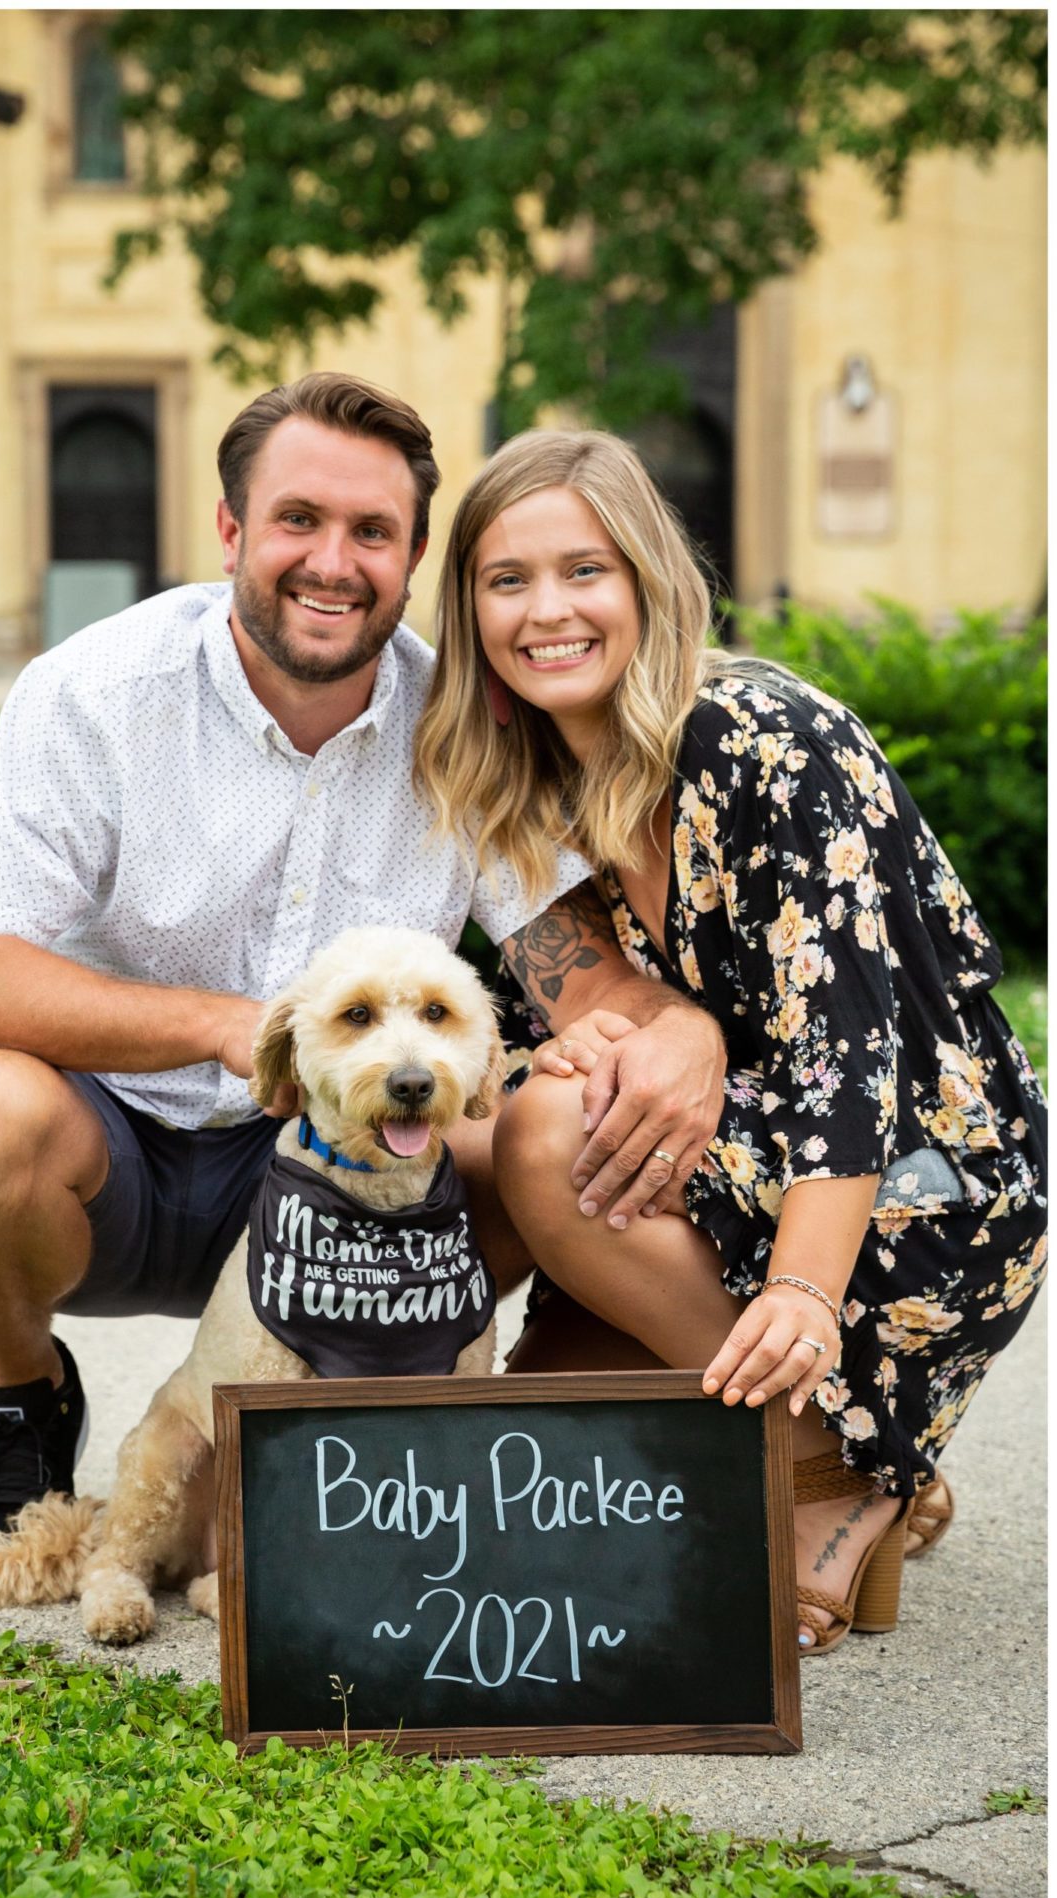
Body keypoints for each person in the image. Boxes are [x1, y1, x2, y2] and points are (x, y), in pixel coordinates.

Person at [0, 374, 728, 1564]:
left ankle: (406, 1432)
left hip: (364, 1179)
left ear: (413, 555)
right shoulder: (95, 695)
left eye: (371, 533)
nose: (331, 561)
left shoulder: (458, 727)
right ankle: (26, 1393)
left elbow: (580, 979)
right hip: (111, 1157)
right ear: (231, 529)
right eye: (297, 520)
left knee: (556, 1122)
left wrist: (674, 1027)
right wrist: (224, 1025)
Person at [413, 428, 1047, 1653]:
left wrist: (805, 1295)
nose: (547, 610)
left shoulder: (763, 741)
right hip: (738, 1166)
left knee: (548, 1130)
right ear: (470, 606)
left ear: (651, 582)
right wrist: (576, 1051)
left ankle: (830, 1466)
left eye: (583, 571)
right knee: (527, 1454)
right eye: (506, 580)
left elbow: (849, 1059)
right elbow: (592, 1023)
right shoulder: (520, 782)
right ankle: (862, 1456)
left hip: (926, 1182)